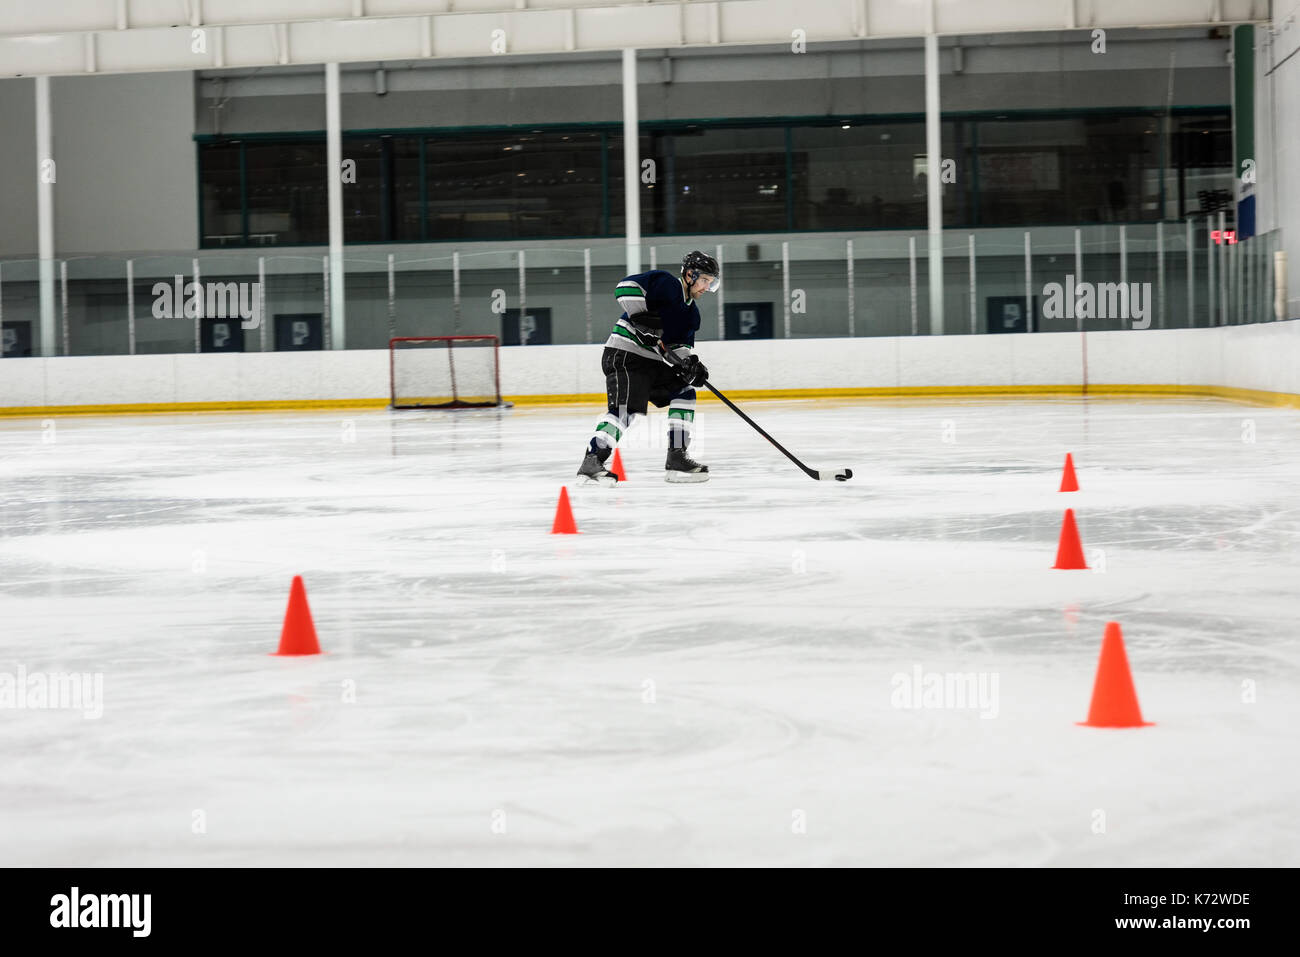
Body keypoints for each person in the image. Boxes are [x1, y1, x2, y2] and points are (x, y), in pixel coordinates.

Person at [576, 250, 721, 485]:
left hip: (649, 362)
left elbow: (675, 347)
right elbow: (624, 289)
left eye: (711, 282)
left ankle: (677, 458)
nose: (707, 286)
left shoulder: (691, 313)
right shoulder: (666, 284)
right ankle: (592, 460)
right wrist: (644, 315)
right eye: (705, 280)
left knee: (684, 392)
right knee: (626, 410)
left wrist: (689, 365)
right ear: (690, 275)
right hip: (625, 354)